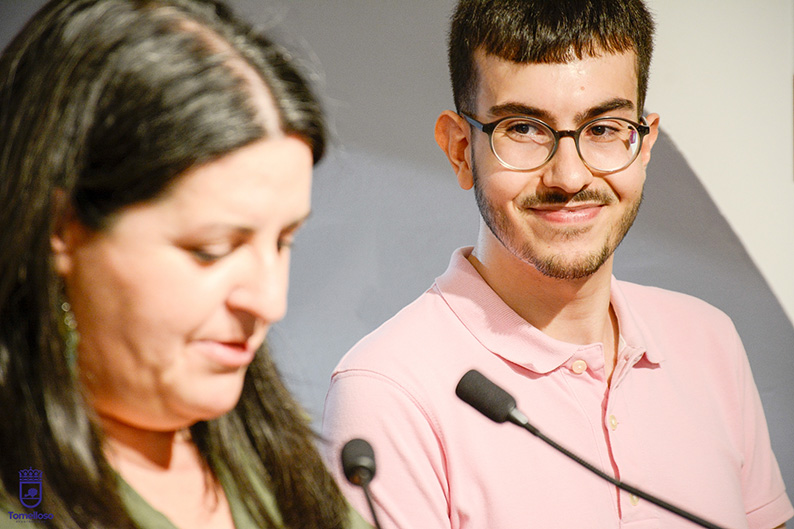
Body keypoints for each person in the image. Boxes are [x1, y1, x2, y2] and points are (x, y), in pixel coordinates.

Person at [322, 1, 794, 528]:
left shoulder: (709, 341)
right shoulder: (389, 391)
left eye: (603, 128)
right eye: (524, 129)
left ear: (644, 145)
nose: (569, 177)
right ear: (460, 150)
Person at [0, 1, 371, 528]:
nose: (269, 301)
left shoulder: (273, 458)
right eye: (212, 250)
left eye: (285, 241)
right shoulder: (24, 496)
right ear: (61, 227)